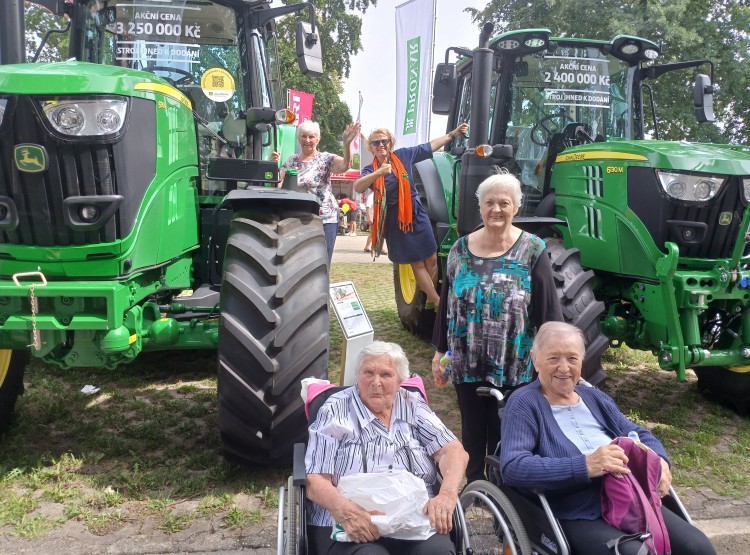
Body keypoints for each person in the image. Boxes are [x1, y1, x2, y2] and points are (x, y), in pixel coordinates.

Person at [500, 321, 717, 555]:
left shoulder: (594, 398)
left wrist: (661, 460)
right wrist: (586, 465)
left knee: (698, 547)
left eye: (572, 359)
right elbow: (513, 466)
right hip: (577, 508)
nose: (564, 368)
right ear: (535, 359)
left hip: (630, 499)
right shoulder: (524, 403)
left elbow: (639, 434)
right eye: (554, 358)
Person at [431, 172, 563, 483]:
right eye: (489, 202)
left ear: (516, 207)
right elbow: (446, 304)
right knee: (473, 431)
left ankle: (504, 498)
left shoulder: (532, 250)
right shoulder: (459, 250)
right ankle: (474, 490)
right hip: (467, 360)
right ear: (480, 207)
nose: (497, 210)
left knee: (507, 434)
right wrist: (439, 351)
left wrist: (555, 358)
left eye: (505, 203)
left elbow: (547, 310)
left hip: (513, 363)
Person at [305, 341, 469, 555]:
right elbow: (315, 479)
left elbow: (453, 450)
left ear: (400, 381)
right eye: (368, 373)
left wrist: (447, 495)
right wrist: (343, 510)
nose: (376, 382)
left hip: (415, 520)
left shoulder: (412, 404)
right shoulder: (336, 409)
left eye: (385, 375)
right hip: (352, 522)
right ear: (358, 376)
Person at [353, 124, 468, 304]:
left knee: (431, 257)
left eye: (384, 141)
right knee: (416, 261)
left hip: (416, 212)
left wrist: (452, 135)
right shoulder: (370, 169)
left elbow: (429, 147)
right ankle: (435, 299)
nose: (381, 145)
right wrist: (378, 173)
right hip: (396, 220)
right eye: (376, 142)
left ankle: (428, 296)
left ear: (390, 143)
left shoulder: (403, 155)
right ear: (371, 147)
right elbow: (358, 186)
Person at [272, 120, 360, 264]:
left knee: (322, 261)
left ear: (318, 139)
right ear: (298, 138)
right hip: (296, 217)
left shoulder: (325, 158)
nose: (307, 140)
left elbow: (345, 166)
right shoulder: (291, 160)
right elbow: (279, 186)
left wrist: (347, 144)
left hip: (324, 218)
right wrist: (273, 166)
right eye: (304, 136)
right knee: (298, 261)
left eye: (311, 137)